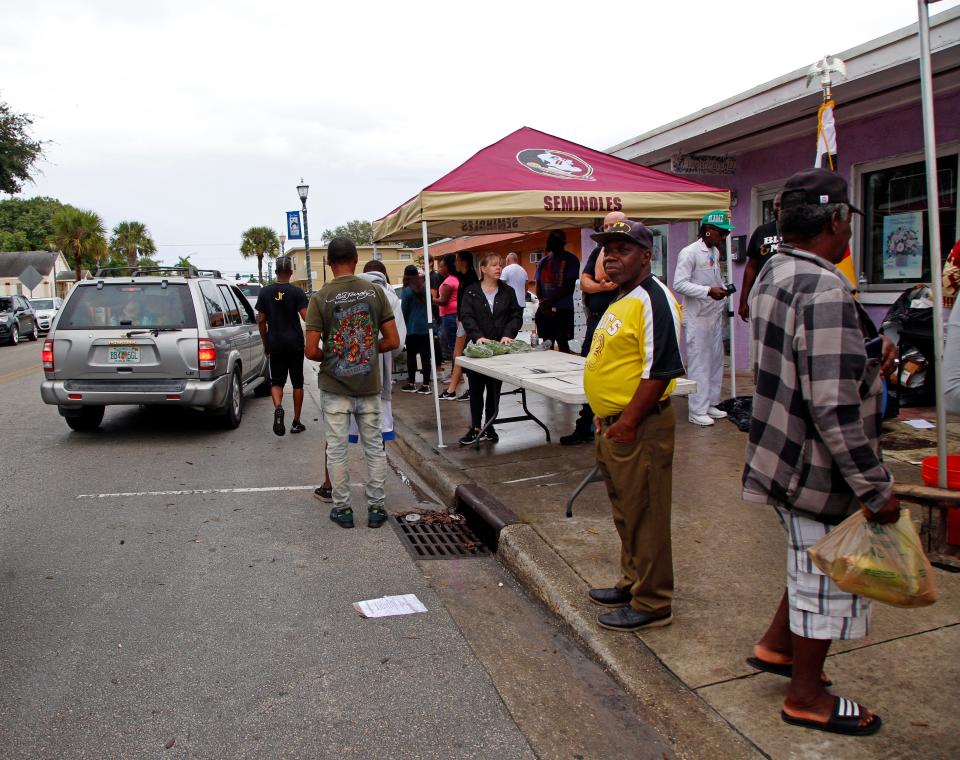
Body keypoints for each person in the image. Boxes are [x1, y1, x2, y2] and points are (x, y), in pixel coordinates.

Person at [744, 168, 899, 737]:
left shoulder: (773, 272)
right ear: (837, 221)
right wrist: (875, 488)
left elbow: (803, 358)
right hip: (817, 465)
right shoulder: (826, 287)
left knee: (811, 559)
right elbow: (833, 406)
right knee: (828, 576)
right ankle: (806, 697)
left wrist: (864, 353)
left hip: (779, 452)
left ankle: (777, 647)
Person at [582, 220, 685, 632]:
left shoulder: (654, 299)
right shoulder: (623, 297)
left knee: (647, 516)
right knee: (627, 512)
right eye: (607, 249)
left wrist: (625, 422)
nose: (610, 256)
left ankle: (653, 601)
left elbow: (660, 370)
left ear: (646, 255)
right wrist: (602, 412)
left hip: (640, 429)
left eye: (622, 249)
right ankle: (632, 580)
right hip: (615, 426)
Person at [304, 237, 400, 529]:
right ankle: (376, 508)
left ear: (329, 263)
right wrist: (368, 350)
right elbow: (393, 340)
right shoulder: (375, 292)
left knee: (337, 447)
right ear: (356, 260)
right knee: (374, 447)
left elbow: (310, 351)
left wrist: (334, 354)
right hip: (369, 384)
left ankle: (343, 509)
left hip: (335, 386)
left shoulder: (320, 298)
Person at [561, 210, 626, 446]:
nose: (609, 230)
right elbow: (586, 283)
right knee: (590, 370)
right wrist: (602, 288)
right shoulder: (600, 251)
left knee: (613, 372)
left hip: (617, 321)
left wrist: (601, 282)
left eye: (615, 225)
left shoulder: (622, 253)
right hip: (596, 319)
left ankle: (609, 421)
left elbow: (600, 273)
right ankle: (586, 424)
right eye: (606, 226)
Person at [672, 210, 733, 427]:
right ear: (708, 231)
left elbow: (714, 278)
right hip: (697, 316)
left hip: (713, 314)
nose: (724, 238)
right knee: (700, 363)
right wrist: (708, 291)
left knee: (716, 360)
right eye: (722, 233)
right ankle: (696, 410)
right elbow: (679, 283)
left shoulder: (714, 252)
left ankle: (710, 403)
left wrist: (723, 289)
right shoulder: (689, 253)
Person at [457, 253, 523, 445]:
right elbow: (466, 316)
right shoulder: (471, 291)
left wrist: (508, 334)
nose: (498, 268)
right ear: (483, 269)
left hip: (499, 350)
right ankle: (476, 427)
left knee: (494, 389)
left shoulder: (507, 291)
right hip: (478, 352)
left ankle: (490, 425)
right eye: (493, 265)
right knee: (476, 389)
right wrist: (478, 337)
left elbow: (516, 315)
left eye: (500, 265)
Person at [255, 255, 309, 436]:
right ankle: (296, 421)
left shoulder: (265, 293)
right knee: (297, 382)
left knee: (277, 381)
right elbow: (305, 317)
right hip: (294, 344)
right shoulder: (297, 293)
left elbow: (261, 320)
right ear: (291, 273)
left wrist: (266, 342)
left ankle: (278, 407)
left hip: (275, 342)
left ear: (276, 272)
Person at [439, 250, 478, 402]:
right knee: (459, 355)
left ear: (464, 261)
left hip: (467, 321)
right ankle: (454, 389)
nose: (455, 263)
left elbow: (469, 303)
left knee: (459, 355)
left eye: (457, 260)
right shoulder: (463, 277)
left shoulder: (470, 279)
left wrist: (462, 318)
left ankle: (454, 389)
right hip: (462, 320)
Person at [535, 230, 580, 353]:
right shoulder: (542, 262)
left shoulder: (571, 260)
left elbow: (569, 286)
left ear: (563, 242)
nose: (551, 242)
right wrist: (543, 303)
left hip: (563, 310)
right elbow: (538, 285)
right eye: (550, 239)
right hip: (545, 309)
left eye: (556, 239)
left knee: (563, 344)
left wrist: (549, 302)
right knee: (546, 344)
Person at [738, 193, 782, 322]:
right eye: (776, 205)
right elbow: (752, 266)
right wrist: (743, 300)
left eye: (783, 205)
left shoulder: (800, 232)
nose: (779, 208)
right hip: (765, 294)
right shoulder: (761, 231)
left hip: (792, 293)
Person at [400, 264, 432, 393]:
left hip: (412, 328)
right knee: (425, 357)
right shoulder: (425, 289)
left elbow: (404, 311)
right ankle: (426, 385)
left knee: (411, 356)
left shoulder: (407, 291)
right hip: (425, 328)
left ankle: (411, 383)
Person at [433, 254, 459, 369]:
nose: (439, 269)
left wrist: (430, 299)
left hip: (449, 315)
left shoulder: (449, 282)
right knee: (454, 345)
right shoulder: (455, 278)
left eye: (441, 266)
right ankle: (456, 374)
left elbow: (443, 301)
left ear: (447, 267)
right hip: (453, 314)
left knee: (453, 346)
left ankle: (456, 375)